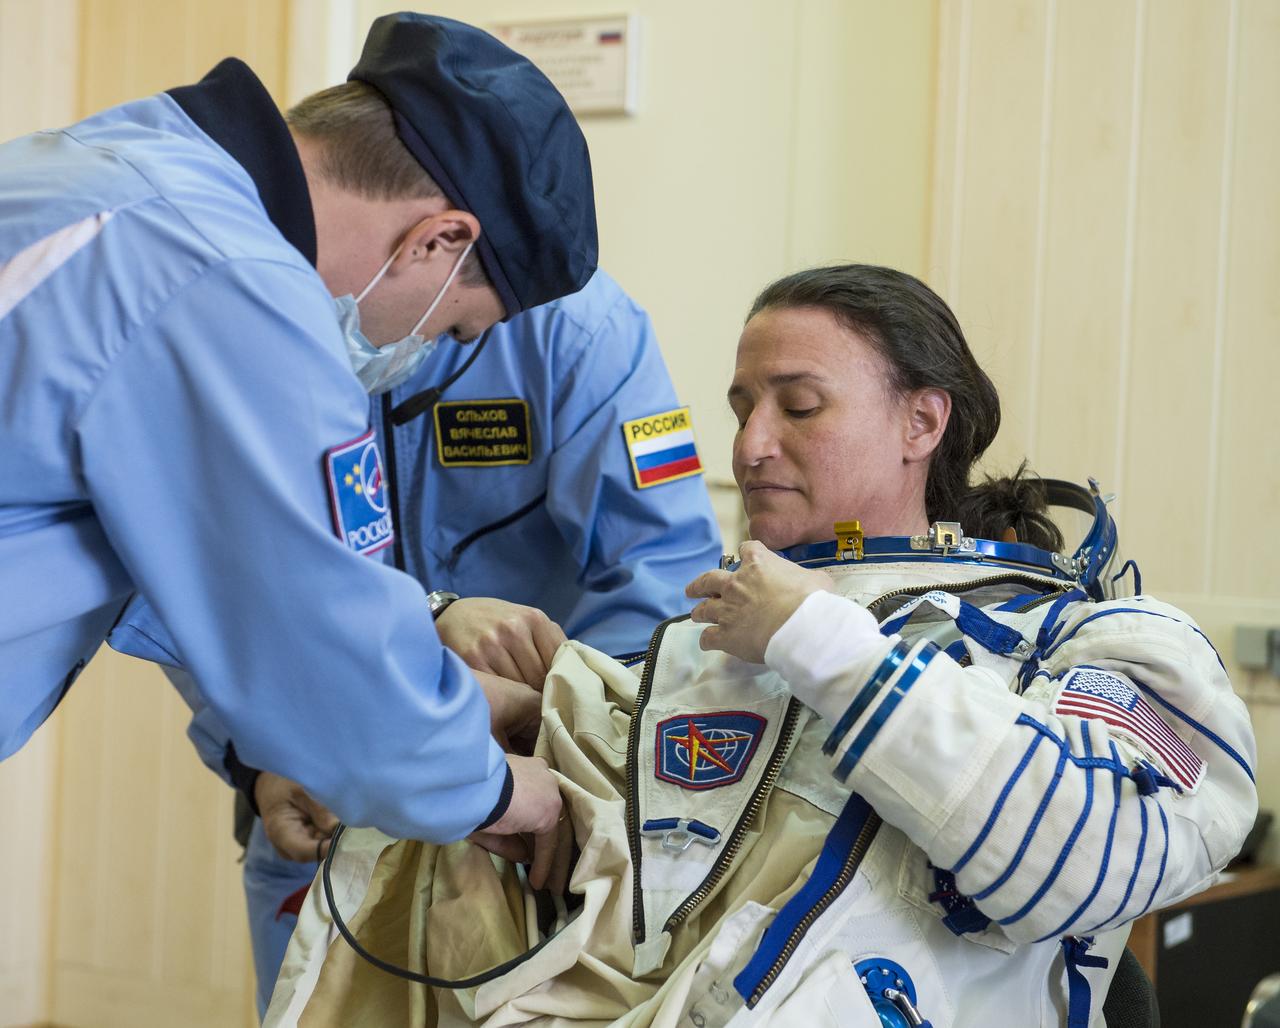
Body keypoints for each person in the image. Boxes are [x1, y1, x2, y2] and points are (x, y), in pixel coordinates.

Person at [268, 264, 1257, 1027]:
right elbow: (616, 873)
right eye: (742, 405)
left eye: (798, 403)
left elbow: (1083, 860)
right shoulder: (704, 650)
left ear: (921, 418)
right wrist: (414, 742)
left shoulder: (1096, 642)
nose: (746, 445)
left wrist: (819, 640)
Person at [0, 12, 598, 878]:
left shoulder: (112, 164)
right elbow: (303, 609)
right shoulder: (227, 277)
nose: (421, 354)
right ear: (439, 239)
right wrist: (501, 792)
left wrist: (382, 676)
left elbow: (183, 544)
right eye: (454, 328)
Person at [114, 265, 724, 1014]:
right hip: (320, 785)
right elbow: (183, 574)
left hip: (529, 811)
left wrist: (551, 743)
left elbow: (667, 574)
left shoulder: (583, 326)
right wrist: (258, 754)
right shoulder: (244, 305)